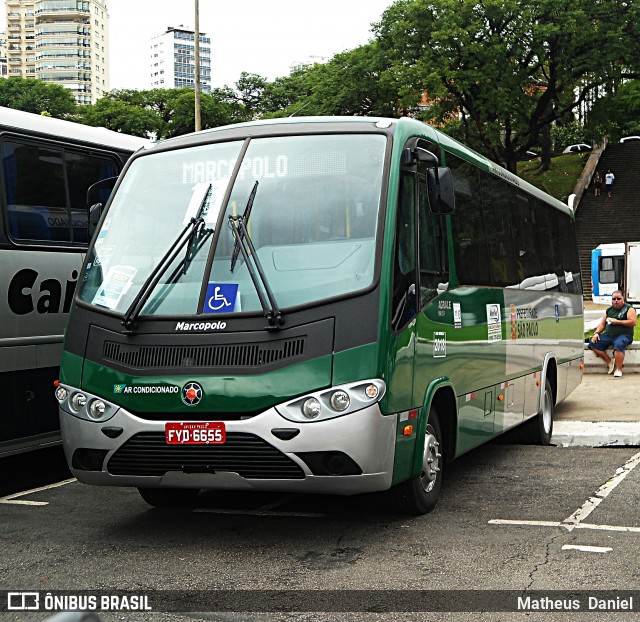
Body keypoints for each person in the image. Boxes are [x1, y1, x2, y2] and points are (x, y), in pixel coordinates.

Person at [588, 290, 637, 377]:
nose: (616, 301)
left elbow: (633, 322)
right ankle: (609, 361)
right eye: (614, 299)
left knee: (618, 344)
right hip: (609, 335)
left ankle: (618, 369)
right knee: (592, 343)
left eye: (618, 298)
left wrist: (618, 322)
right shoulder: (608, 310)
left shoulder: (629, 308)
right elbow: (602, 324)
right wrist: (596, 333)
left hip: (624, 335)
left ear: (623, 299)